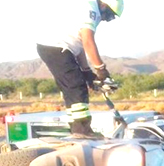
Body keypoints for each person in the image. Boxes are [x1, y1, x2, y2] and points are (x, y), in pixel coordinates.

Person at [36, 0, 124, 135]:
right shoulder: (91, 8)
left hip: (55, 47)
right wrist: (101, 70)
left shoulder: (87, 6)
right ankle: (82, 131)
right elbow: (88, 41)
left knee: (71, 89)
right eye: (109, 14)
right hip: (56, 48)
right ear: (103, 5)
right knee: (76, 87)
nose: (107, 19)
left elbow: (79, 44)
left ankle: (76, 129)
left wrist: (86, 71)